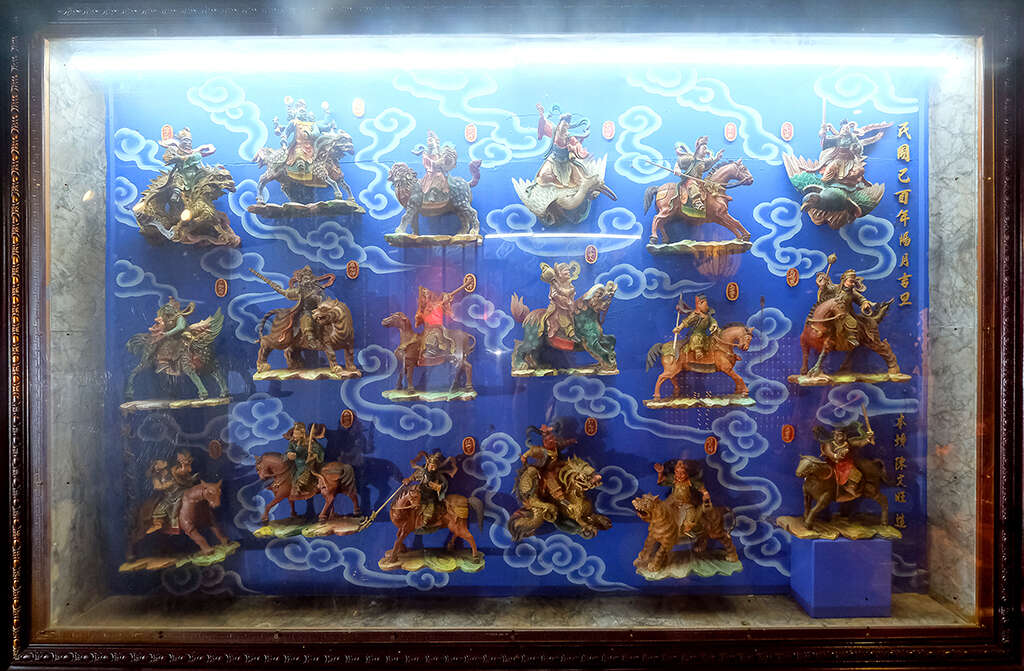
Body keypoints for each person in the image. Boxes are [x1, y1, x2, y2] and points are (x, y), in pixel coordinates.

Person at [815, 268, 876, 349]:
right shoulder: (835, 288)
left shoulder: (852, 293)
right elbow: (826, 290)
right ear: (844, 280)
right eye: (851, 281)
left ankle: (851, 337)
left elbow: (860, 298)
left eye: (854, 282)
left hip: (844, 313)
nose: (852, 284)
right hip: (832, 312)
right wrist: (822, 285)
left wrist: (865, 303)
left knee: (852, 322)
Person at [533, 103, 591, 189]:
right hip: (553, 159)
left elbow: (578, 146)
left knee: (579, 179)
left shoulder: (569, 137)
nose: (563, 128)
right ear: (559, 125)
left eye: (565, 126)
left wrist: (572, 148)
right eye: (562, 125)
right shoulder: (554, 131)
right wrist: (541, 114)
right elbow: (545, 123)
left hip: (565, 162)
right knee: (543, 176)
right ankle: (555, 185)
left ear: (567, 127)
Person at [814, 422, 875, 499]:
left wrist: (868, 438)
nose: (837, 437)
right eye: (835, 435)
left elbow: (860, 443)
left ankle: (849, 487)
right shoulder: (829, 444)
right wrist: (836, 456)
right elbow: (828, 452)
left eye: (839, 435)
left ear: (844, 436)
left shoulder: (848, 443)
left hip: (846, 463)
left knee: (856, 473)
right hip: (833, 463)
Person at [158, 127, 215, 207]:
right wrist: (178, 158)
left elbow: (207, 149)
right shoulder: (176, 150)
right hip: (182, 172)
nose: (188, 143)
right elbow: (167, 158)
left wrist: (186, 157)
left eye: (189, 142)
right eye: (185, 141)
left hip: (195, 173)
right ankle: (176, 193)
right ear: (181, 142)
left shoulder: (195, 153)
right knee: (178, 178)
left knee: (206, 176)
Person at [521, 424, 577, 501]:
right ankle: (561, 499)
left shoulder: (556, 446)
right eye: (550, 439)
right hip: (546, 471)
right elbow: (530, 452)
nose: (553, 440)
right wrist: (524, 457)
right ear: (545, 442)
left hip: (557, 466)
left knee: (572, 466)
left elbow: (563, 444)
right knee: (552, 482)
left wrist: (571, 441)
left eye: (553, 438)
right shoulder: (541, 451)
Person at [654, 459, 711, 535]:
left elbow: (701, 488)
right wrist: (660, 472)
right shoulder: (673, 479)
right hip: (674, 504)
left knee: (691, 517)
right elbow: (660, 481)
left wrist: (705, 493)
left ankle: (687, 530)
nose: (679, 475)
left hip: (687, 505)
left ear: (687, 473)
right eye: (677, 472)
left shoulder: (691, 481)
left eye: (682, 473)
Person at [149, 450, 198, 532]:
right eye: (157, 463)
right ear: (155, 467)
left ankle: (175, 523)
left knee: (177, 502)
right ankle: (164, 524)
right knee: (161, 508)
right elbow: (157, 487)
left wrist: (184, 465)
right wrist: (168, 484)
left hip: (180, 491)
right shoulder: (156, 477)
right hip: (169, 495)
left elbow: (181, 471)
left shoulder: (172, 470)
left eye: (162, 461)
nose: (161, 463)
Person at [673, 136, 724, 211]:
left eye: (706, 149)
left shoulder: (703, 161)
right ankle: (696, 202)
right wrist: (676, 168)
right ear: (698, 149)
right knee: (692, 184)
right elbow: (679, 161)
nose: (706, 151)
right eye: (704, 148)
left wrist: (716, 159)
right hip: (690, 180)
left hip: (699, 181)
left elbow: (708, 165)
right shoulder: (690, 159)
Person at [404, 451, 457, 523]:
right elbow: (413, 477)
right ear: (428, 465)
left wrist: (439, 487)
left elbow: (444, 484)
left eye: (434, 467)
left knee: (429, 511)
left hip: (430, 497)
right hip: (419, 494)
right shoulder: (422, 472)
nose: (433, 469)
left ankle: (424, 522)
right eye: (431, 466)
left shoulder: (438, 476)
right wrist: (408, 480)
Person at [415, 283, 464, 358]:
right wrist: (419, 316)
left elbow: (450, 317)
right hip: (427, 329)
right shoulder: (426, 306)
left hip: (437, 328)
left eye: (427, 293)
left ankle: (435, 350)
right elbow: (421, 319)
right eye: (424, 294)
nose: (426, 295)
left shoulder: (441, 304)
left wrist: (446, 304)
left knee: (435, 334)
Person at [538, 261, 580, 340]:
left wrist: (566, 297)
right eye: (565, 270)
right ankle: (571, 333)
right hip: (557, 307)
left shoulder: (569, 284)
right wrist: (562, 298)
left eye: (568, 270)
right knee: (562, 317)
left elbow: (570, 292)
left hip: (568, 306)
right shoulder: (554, 285)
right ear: (559, 274)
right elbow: (554, 295)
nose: (568, 272)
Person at [414, 131, 455, 202]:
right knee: (437, 176)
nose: (429, 142)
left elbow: (444, 163)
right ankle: (431, 193)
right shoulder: (426, 153)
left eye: (431, 140)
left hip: (440, 172)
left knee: (441, 176)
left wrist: (444, 162)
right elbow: (427, 162)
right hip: (431, 173)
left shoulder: (439, 153)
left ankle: (443, 194)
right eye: (428, 141)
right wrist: (435, 163)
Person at [283, 422, 324, 494]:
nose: (294, 436)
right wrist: (290, 453)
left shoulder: (309, 442)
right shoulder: (293, 441)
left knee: (303, 475)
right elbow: (290, 449)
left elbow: (319, 450)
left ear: (302, 434)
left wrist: (313, 455)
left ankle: (302, 487)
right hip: (295, 463)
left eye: (297, 434)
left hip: (306, 463)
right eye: (294, 433)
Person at [675, 294, 719, 359]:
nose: (707, 306)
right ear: (699, 304)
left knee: (712, 338)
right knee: (696, 338)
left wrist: (714, 325)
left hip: (705, 335)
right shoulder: (695, 315)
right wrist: (679, 328)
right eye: (705, 304)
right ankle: (698, 353)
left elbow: (712, 321)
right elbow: (686, 321)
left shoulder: (708, 315)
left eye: (707, 304)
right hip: (696, 333)